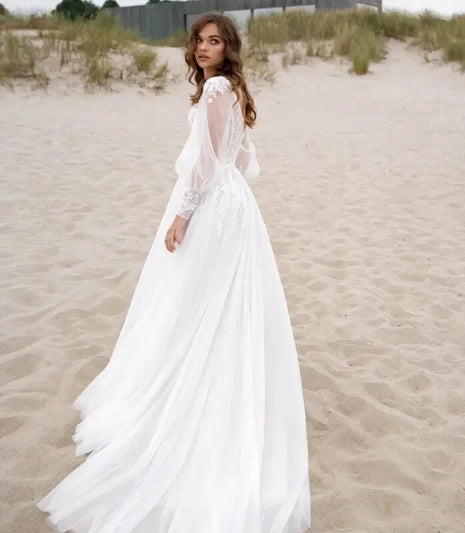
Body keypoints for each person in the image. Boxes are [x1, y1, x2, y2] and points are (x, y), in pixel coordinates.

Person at [37, 11, 311, 533]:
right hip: (237, 205)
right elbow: (244, 155)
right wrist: (228, 172)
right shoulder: (228, 89)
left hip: (211, 204)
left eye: (215, 41)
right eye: (200, 40)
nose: (205, 47)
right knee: (218, 297)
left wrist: (183, 213)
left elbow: (206, 164)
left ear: (228, 48)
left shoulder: (215, 92)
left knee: (194, 293)